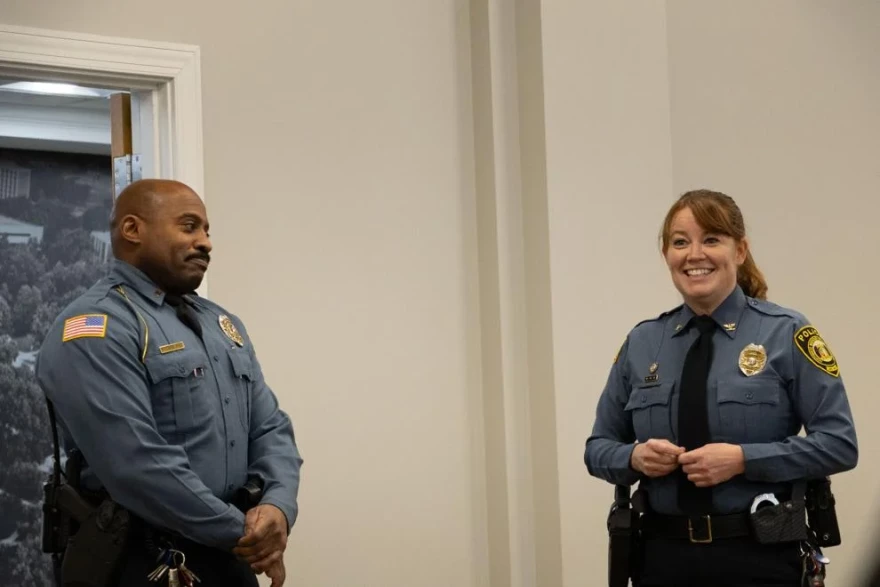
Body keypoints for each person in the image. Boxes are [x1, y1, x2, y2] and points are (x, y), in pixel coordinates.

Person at [36, 179, 302, 587]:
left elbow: (270, 428)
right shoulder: (96, 327)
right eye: (189, 226)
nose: (205, 243)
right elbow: (135, 464)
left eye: (207, 231)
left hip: (229, 557)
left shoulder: (220, 324)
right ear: (132, 230)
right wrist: (246, 535)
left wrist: (278, 508)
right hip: (143, 559)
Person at [585, 189, 857, 587]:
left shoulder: (786, 332)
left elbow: (839, 444)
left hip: (760, 557)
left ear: (740, 250)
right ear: (667, 255)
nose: (695, 254)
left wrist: (743, 459)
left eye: (711, 239)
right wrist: (636, 458)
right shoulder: (642, 343)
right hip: (662, 559)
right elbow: (597, 448)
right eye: (680, 242)